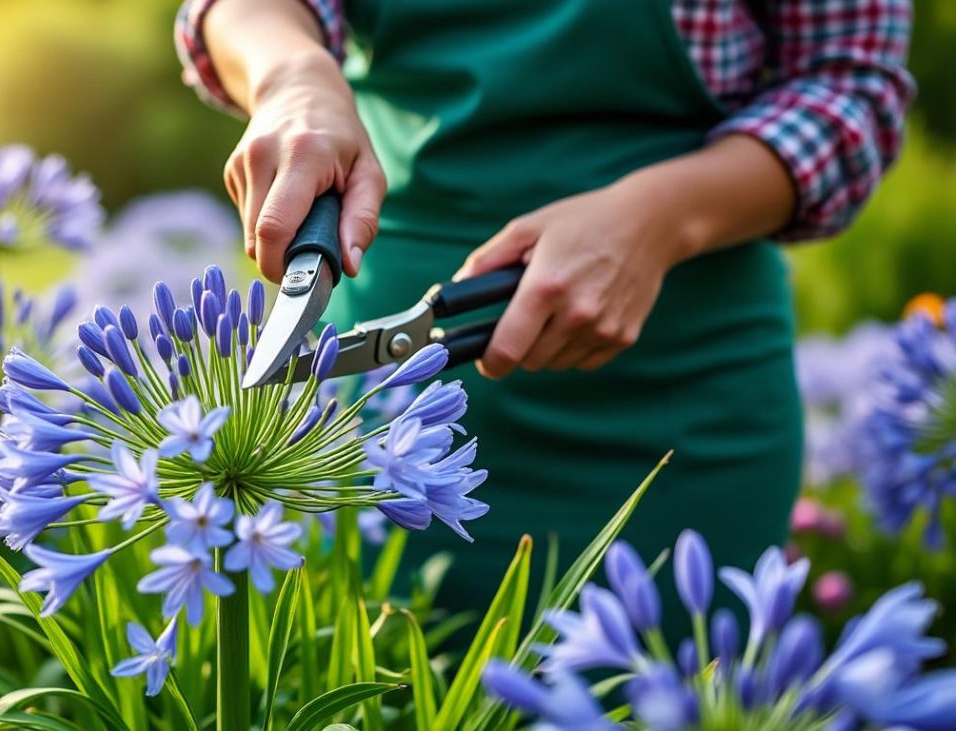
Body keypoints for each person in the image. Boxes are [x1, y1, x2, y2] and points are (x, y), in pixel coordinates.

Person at [173, 0, 914, 615]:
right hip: (375, 417)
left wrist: (657, 220)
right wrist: (293, 77)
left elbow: (853, 87)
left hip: (687, 405)